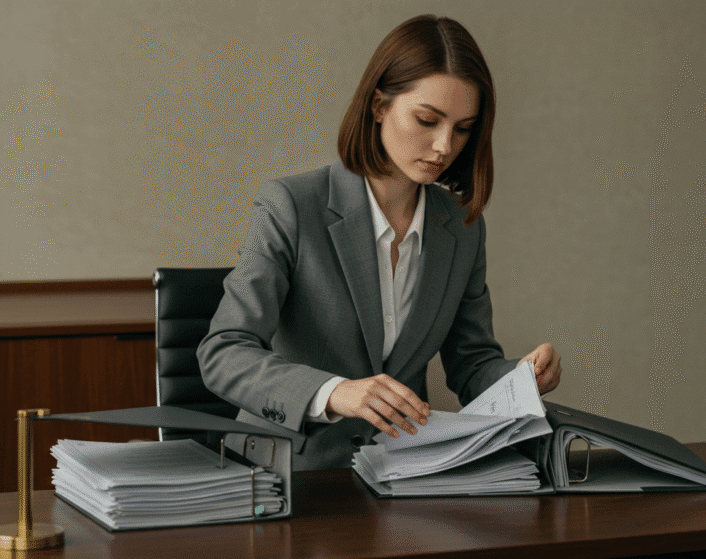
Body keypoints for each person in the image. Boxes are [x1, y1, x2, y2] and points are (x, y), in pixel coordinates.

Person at [198, 14, 562, 471]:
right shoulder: (290, 205)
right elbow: (223, 353)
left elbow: (471, 364)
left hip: (401, 472)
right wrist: (335, 391)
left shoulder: (462, 228)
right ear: (378, 106)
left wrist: (521, 377)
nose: (445, 146)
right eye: (427, 120)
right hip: (290, 476)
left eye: (463, 128)